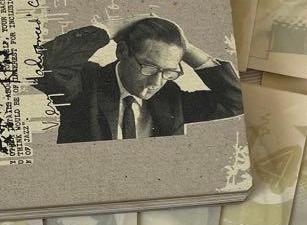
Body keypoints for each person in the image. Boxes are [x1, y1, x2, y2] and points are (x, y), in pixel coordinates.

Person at [35, 17, 244, 144]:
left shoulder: (170, 97)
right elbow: (41, 65)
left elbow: (237, 101)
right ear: (122, 51)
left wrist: (182, 46)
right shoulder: (85, 83)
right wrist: (112, 28)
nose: (156, 82)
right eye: (149, 67)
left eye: (169, 72)